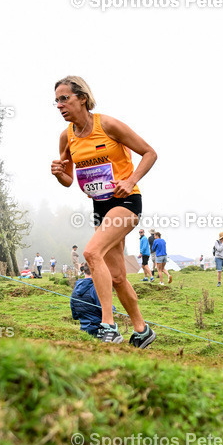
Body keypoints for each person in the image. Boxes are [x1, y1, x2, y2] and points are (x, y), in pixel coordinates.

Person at [51, 74, 157, 347]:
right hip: (100, 206)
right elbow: (68, 180)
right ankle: (142, 329)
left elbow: (149, 153)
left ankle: (108, 326)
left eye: (65, 99)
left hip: (126, 201)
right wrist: (58, 173)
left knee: (91, 252)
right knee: (119, 276)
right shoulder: (66, 137)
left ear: (82, 98)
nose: (60, 105)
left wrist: (130, 180)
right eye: (56, 102)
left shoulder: (107, 125)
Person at [70, 262, 106, 336]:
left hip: (83, 330)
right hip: (98, 330)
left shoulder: (75, 289)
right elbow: (105, 310)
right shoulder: (95, 288)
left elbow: (74, 315)